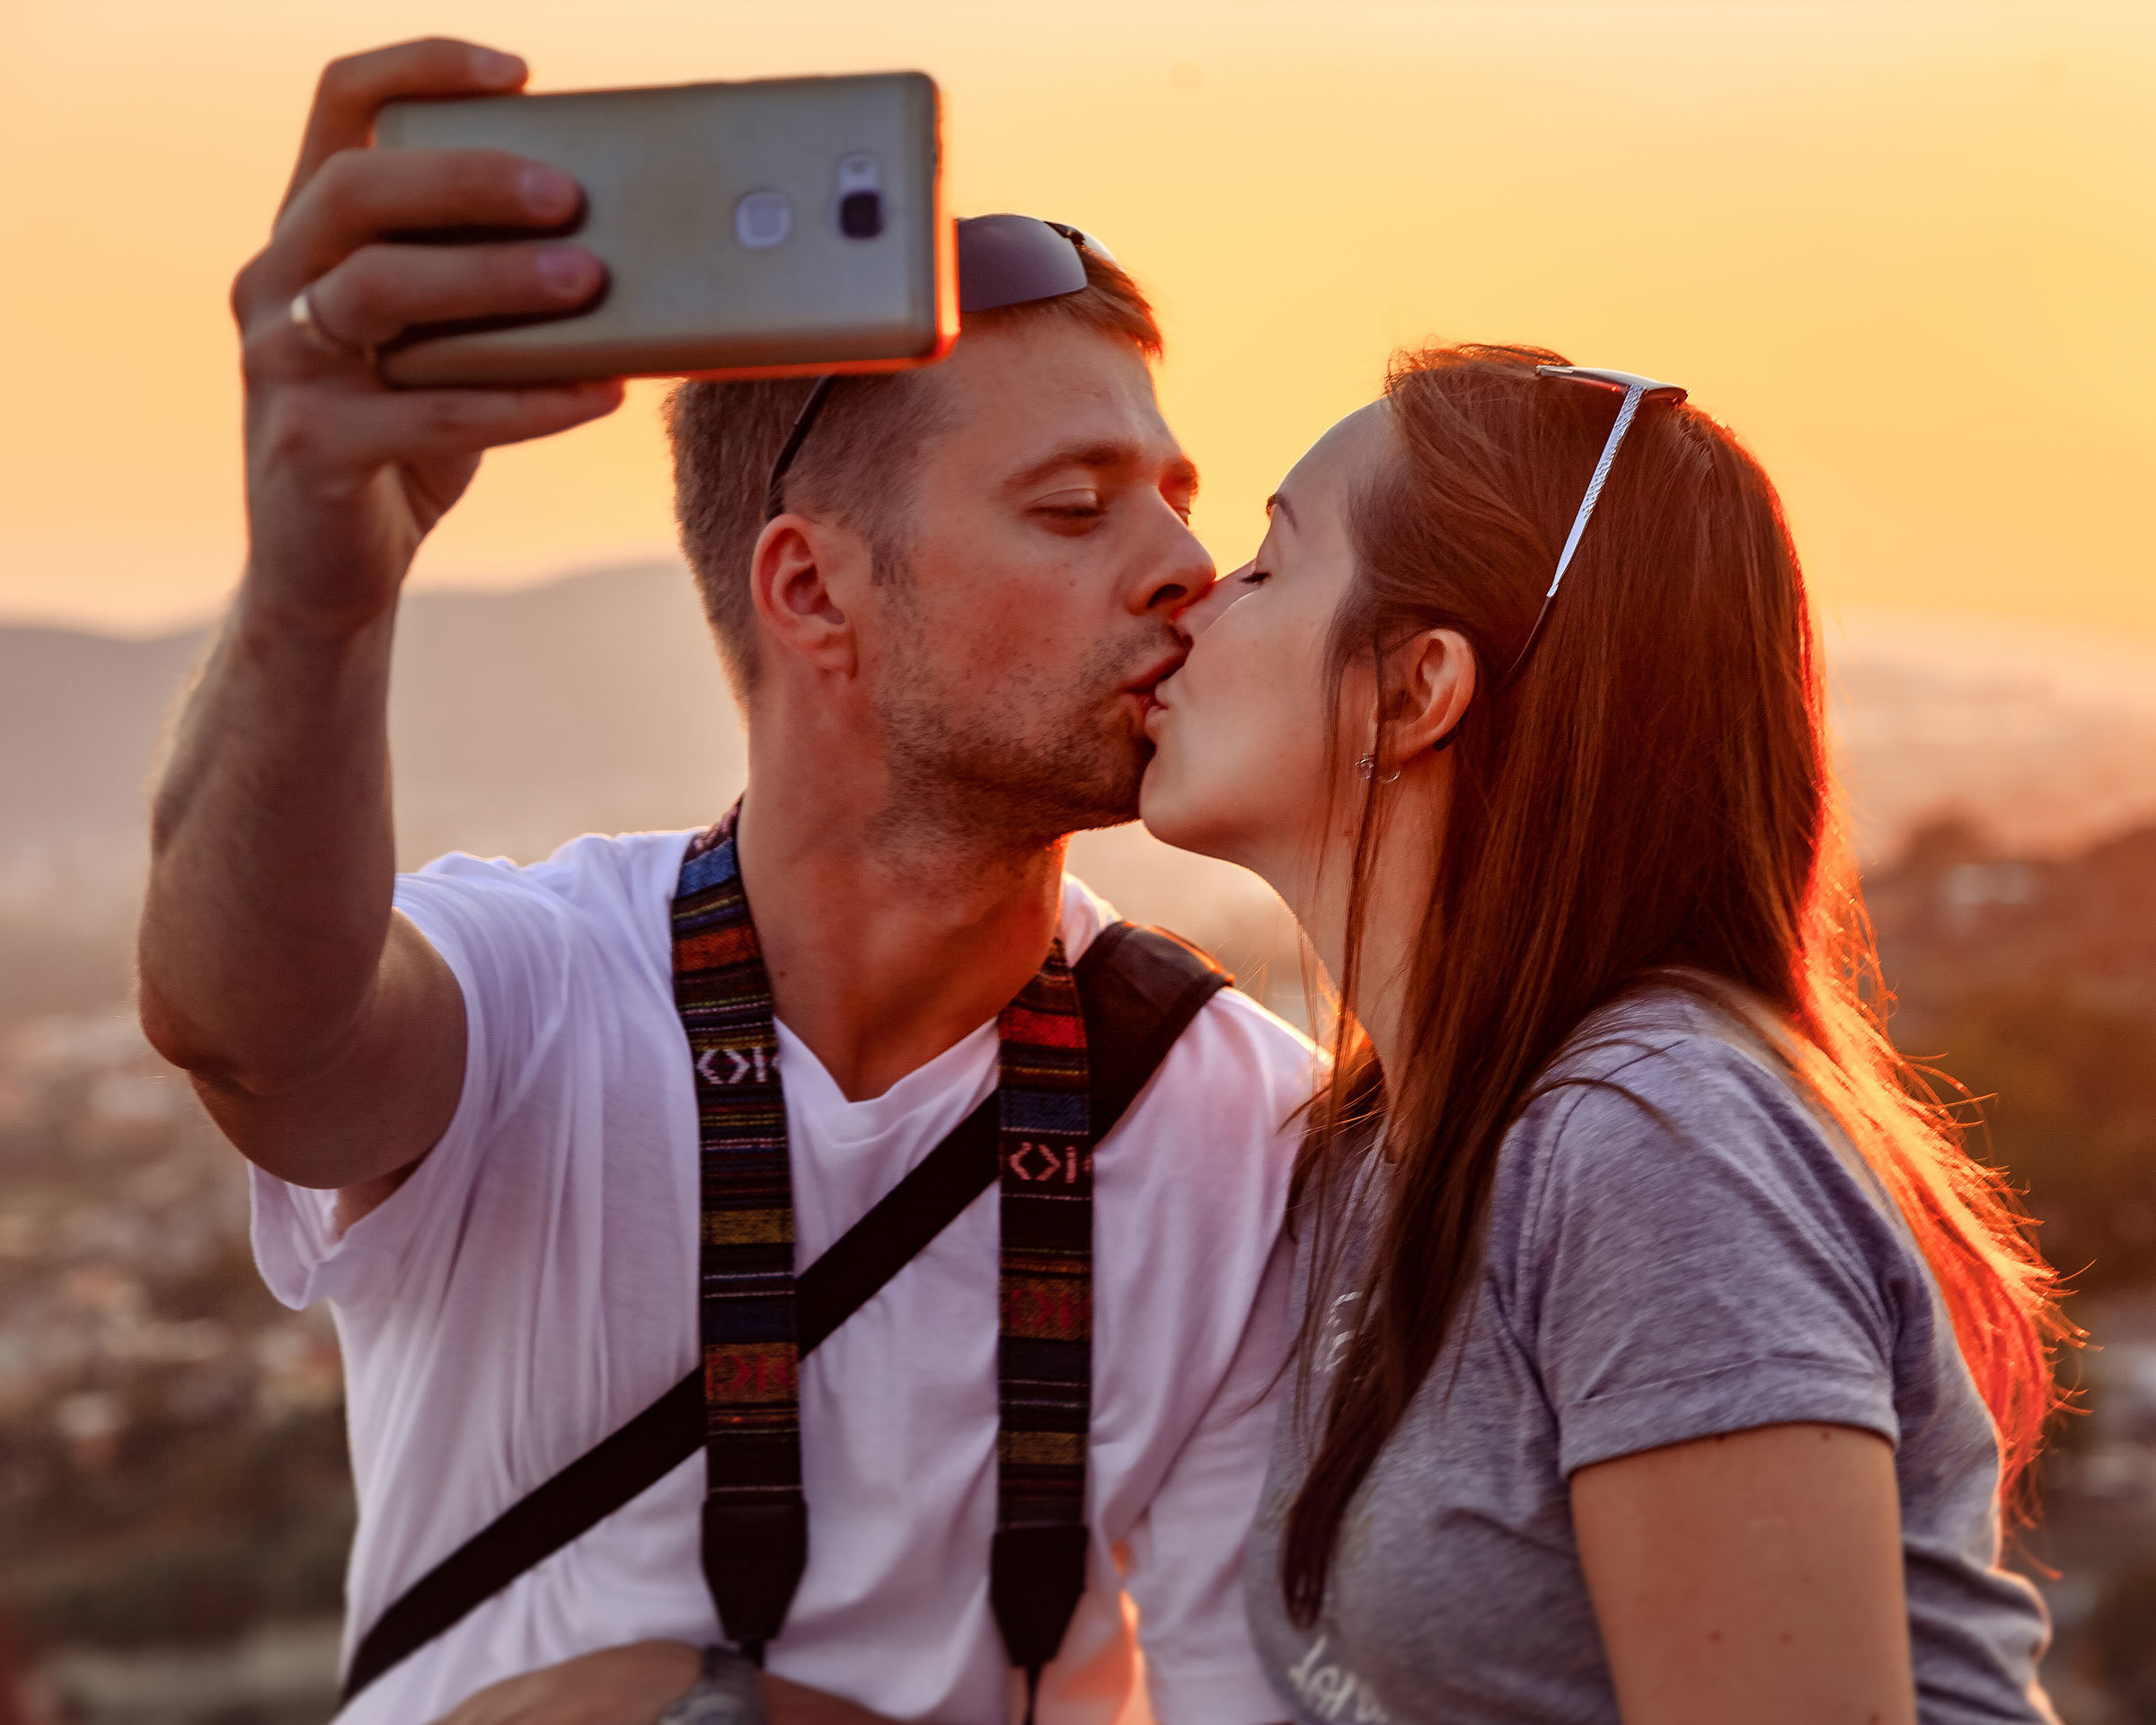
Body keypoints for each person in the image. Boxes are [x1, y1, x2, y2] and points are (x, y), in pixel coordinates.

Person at [137, 38, 1312, 1725]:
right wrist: (316, 589)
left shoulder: (1248, 1131)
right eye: (1076, 509)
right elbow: (257, 1033)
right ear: (813, 594)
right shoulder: (536, 996)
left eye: (1177, 500)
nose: (1188, 567)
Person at [1138, 343, 2070, 1724]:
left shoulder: (1651, 1150)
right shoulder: (1378, 1147)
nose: (1192, 603)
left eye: (1267, 566)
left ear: (1415, 689)